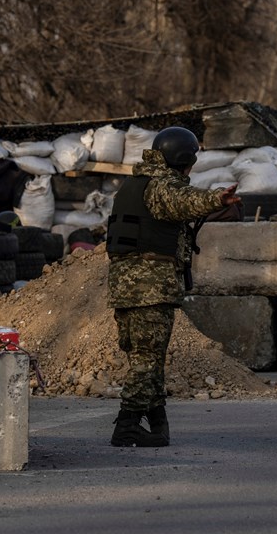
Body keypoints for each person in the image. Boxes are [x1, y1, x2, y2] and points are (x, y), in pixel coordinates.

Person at [106, 126, 241, 447]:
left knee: (146, 356)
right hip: (149, 288)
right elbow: (182, 201)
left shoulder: (134, 184)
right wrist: (215, 198)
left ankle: (156, 422)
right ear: (185, 159)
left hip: (128, 288)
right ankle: (126, 427)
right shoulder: (160, 186)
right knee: (147, 360)